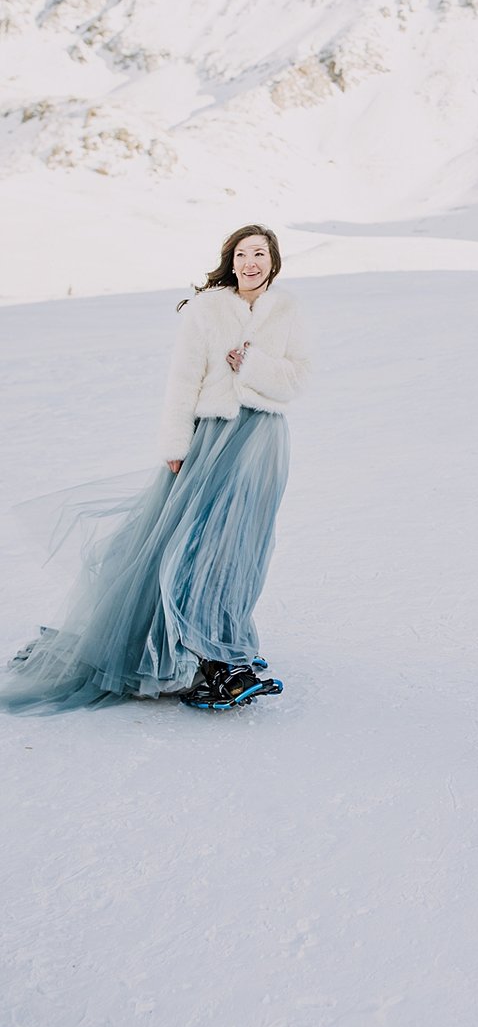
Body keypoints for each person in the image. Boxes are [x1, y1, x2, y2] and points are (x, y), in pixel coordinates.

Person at [3, 225, 308, 714]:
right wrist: (175, 442)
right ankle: (205, 659)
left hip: (264, 441)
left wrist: (252, 362)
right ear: (231, 261)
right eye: (243, 254)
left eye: (261, 254)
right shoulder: (207, 309)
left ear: (274, 261)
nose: (251, 262)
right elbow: (182, 380)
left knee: (241, 547)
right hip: (213, 439)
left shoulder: (287, 309)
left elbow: (296, 378)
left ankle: (225, 644)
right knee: (194, 543)